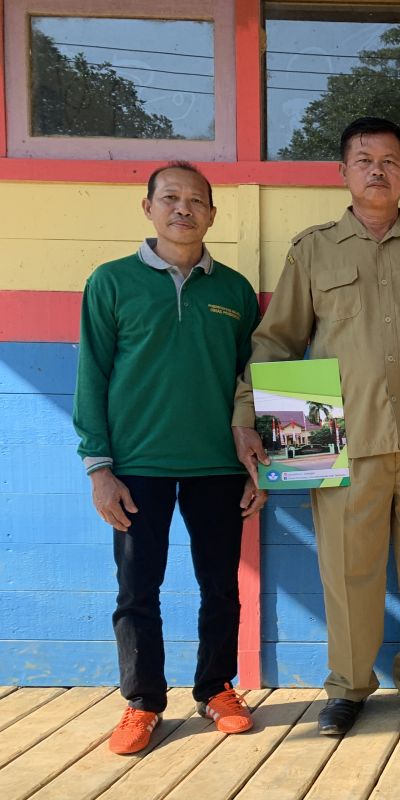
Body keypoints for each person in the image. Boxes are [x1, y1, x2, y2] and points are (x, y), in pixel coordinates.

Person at [231, 117, 400, 736]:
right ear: (342, 172)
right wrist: (251, 416)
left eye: (391, 160)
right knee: (347, 575)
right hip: (332, 439)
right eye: (365, 159)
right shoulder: (312, 249)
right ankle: (348, 688)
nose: (378, 170)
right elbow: (277, 341)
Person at [73, 161, 264, 755]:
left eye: (196, 200)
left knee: (221, 588)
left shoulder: (233, 290)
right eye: (171, 198)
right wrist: (99, 469)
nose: (184, 208)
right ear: (148, 207)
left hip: (218, 466)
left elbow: (252, 379)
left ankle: (216, 689)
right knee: (137, 590)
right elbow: (91, 377)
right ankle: (142, 702)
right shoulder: (110, 282)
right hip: (136, 468)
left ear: (212, 212)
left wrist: (264, 464)